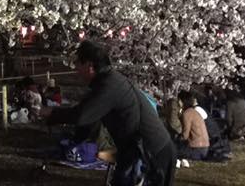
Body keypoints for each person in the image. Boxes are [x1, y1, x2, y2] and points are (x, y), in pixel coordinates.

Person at [46, 41, 175, 186]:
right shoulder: (106, 82)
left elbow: (82, 115)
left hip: (153, 152)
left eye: (78, 63)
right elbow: (90, 117)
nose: (76, 69)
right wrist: (76, 140)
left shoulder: (109, 85)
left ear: (89, 65)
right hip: (136, 149)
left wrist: (51, 113)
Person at [176, 92, 209, 164]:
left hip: (196, 149)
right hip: (205, 147)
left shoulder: (187, 114)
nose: (177, 102)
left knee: (173, 148)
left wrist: (177, 139)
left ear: (182, 101)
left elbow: (185, 135)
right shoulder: (194, 112)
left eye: (178, 100)